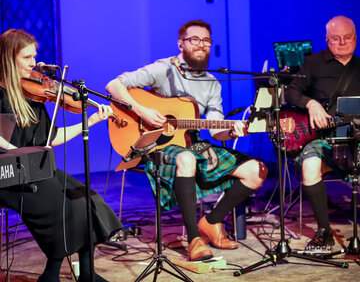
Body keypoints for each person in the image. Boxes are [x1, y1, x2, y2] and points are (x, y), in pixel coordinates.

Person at [106, 19, 268, 261]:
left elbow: (216, 131)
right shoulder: (164, 69)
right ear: (181, 44)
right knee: (186, 157)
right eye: (194, 40)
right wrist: (142, 111)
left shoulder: (213, 83)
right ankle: (194, 239)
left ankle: (211, 222)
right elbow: (113, 85)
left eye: (206, 41)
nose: (201, 45)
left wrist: (233, 131)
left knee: (257, 170)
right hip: (157, 145)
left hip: (192, 143)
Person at [0, 29, 122, 282]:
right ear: (8, 58)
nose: (34, 63)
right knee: (60, 207)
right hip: (9, 174)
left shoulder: (31, 95)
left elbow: (51, 137)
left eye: (35, 56)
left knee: (86, 199)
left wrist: (90, 121)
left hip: (36, 168)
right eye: (27, 57)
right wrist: (15, 151)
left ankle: (87, 273)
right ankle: (51, 274)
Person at [285, 15, 360, 250]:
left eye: (347, 37)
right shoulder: (313, 63)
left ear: (355, 39)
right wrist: (310, 103)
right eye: (336, 38)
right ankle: (324, 231)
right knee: (309, 165)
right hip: (326, 138)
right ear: (326, 39)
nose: (342, 42)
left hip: (357, 138)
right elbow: (290, 93)